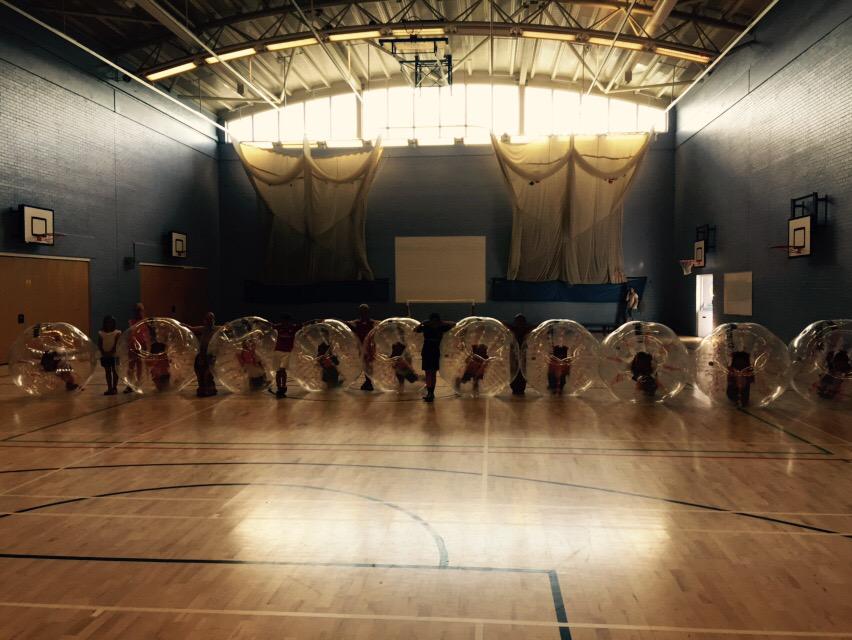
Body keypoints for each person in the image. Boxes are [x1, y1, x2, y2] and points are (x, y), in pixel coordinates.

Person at [415, 313, 454, 402]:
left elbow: (453, 324)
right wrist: (422, 323)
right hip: (430, 351)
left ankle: (431, 393)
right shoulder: (433, 326)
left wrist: (423, 323)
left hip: (430, 350)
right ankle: (430, 393)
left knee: (430, 373)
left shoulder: (434, 326)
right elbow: (415, 330)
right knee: (430, 373)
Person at [348, 304, 378, 391]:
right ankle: (368, 382)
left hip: (369, 347)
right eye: (362, 311)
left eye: (365, 311)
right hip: (362, 347)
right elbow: (345, 323)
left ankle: (368, 383)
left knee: (368, 364)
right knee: (366, 364)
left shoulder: (372, 322)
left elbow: (383, 323)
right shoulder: (356, 323)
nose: (363, 313)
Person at [272, 314, 300, 398]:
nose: (285, 323)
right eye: (284, 322)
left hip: (287, 353)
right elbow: (269, 325)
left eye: (287, 322)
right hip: (277, 351)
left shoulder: (293, 327)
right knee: (278, 371)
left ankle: (283, 386)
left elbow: (304, 324)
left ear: (289, 322)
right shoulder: (279, 327)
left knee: (282, 369)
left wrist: (316, 320)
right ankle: (279, 387)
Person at [191, 312, 218, 397]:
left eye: (212, 319)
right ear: (205, 321)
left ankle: (209, 388)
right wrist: (182, 325)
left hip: (210, 355)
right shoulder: (203, 329)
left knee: (207, 373)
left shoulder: (216, 329)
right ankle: (202, 388)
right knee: (200, 372)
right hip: (202, 354)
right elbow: (192, 329)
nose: (210, 321)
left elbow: (226, 328)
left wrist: (228, 326)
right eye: (208, 319)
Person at [506, 314, 532, 395]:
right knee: (520, 369)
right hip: (520, 351)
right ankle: (519, 386)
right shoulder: (525, 329)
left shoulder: (514, 328)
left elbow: (504, 324)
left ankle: (517, 386)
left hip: (516, 352)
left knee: (516, 369)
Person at [124, 302, 147, 393]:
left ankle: (138, 384)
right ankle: (129, 385)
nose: (139, 313)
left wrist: (145, 346)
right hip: (133, 347)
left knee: (139, 366)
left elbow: (145, 335)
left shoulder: (144, 322)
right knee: (131, 366)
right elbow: (130, 334)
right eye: (137, 311)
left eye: (140, 310)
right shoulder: (131, 322)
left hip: (140, 348)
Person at [97, 315, 121, 395]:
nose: (109, 324)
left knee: (115, 371)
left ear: (113, 323)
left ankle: (114, 388)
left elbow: (116, 345)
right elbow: (99, 344)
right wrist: (104, 353)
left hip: (115, 355)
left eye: (111, 323)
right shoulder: (101, 333)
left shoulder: (117, 333)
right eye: (107, 323)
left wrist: (111, 352)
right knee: (107, 371)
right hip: (105, 356)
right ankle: (109, 388)